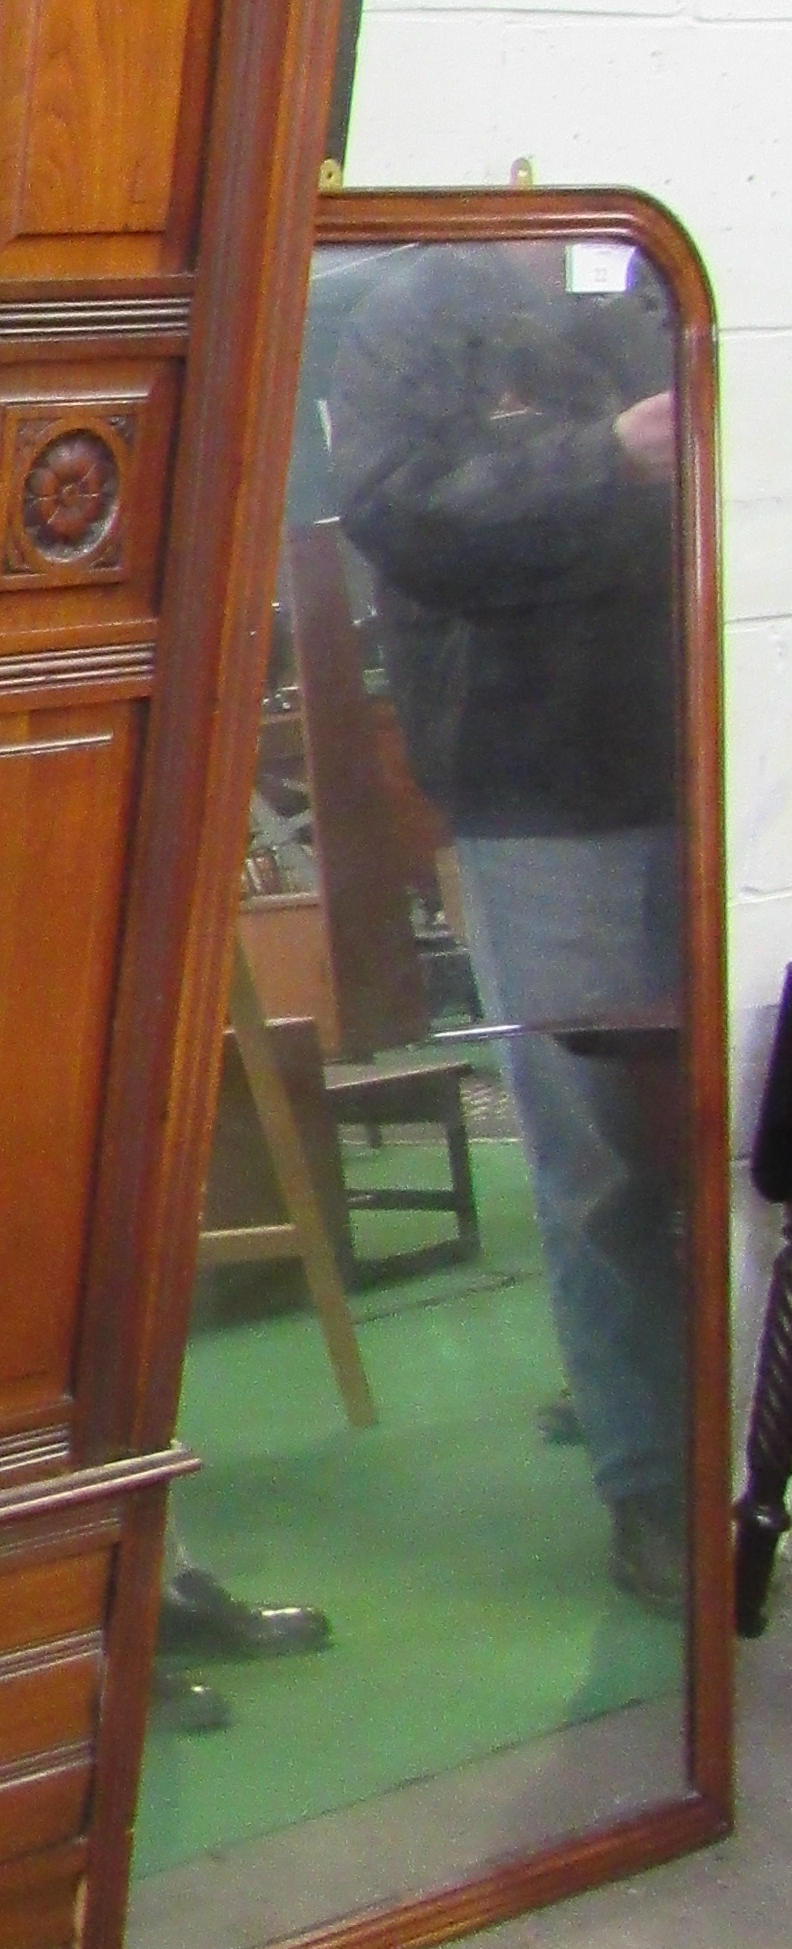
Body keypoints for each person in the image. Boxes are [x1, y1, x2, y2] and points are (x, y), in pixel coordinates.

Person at [326, 237, 687, 1611]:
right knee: (602, 1164)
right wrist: (617, 459)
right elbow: (402, 510)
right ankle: (652, 1483)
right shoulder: (421, 307)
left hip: (730, 751)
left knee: (739, 1130)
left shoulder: (676, 262)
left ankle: (692, 1416)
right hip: (548, 788)